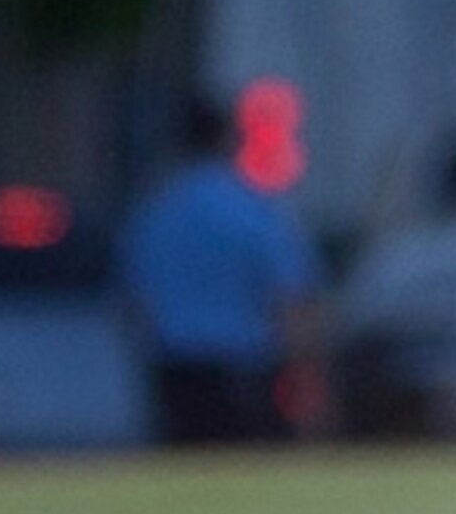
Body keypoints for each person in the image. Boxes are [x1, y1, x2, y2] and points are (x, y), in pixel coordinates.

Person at [116, 98, 323, 444]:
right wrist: (307, 375)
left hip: (175, 371)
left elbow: (131, 303)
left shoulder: (154, 213)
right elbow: (291, 298)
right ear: (228, 139)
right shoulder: (252, 209)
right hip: (244, 370)